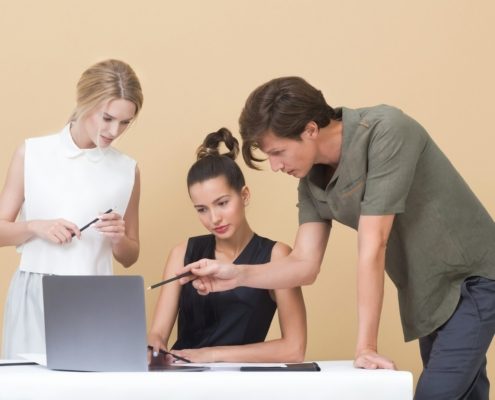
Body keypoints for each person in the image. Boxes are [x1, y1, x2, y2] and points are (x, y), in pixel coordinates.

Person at [181, 77, 495, 399]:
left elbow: (374, 245)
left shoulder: (387, 131)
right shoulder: (311, 180)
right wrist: (236, 275)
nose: (275, 166)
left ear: (310, 129)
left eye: (278, 152)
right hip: (428, 295)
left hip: (472, 279)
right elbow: (304, 265)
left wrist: (366, 348)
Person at [0, 59, 143, 358]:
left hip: (96, 297)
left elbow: (130, 256)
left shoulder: (127, 170)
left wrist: (118, 238)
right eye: (107, 118)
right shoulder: (32, 153)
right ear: (84, 103)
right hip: (35, 293)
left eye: (125, 122)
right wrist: (34, 226)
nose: (114, 130)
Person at [148, 127, 306, 363]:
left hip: (241, 383)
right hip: (183, 380)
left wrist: (211, 355)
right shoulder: (182, 254)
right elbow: (158, 334)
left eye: (222, 203)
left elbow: (294, 349)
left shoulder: (277, 256)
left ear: (244, 196)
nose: (214, 219)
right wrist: (153, 349)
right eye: (202, 209)